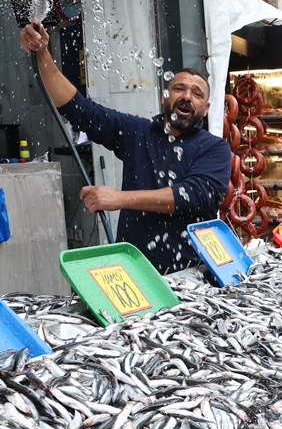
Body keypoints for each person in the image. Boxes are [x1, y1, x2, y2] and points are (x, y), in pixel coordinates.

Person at [19, 25, 231, 275]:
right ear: (164, 97)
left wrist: (119, 199)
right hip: (134, 271)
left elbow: (189, 196)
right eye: (178, 89)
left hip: (193, 275)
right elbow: (79, 109)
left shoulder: (216, 148)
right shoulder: (138, 132)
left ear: (205, 109)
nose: (187, 96)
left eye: (197, 94)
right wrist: (42, 53)